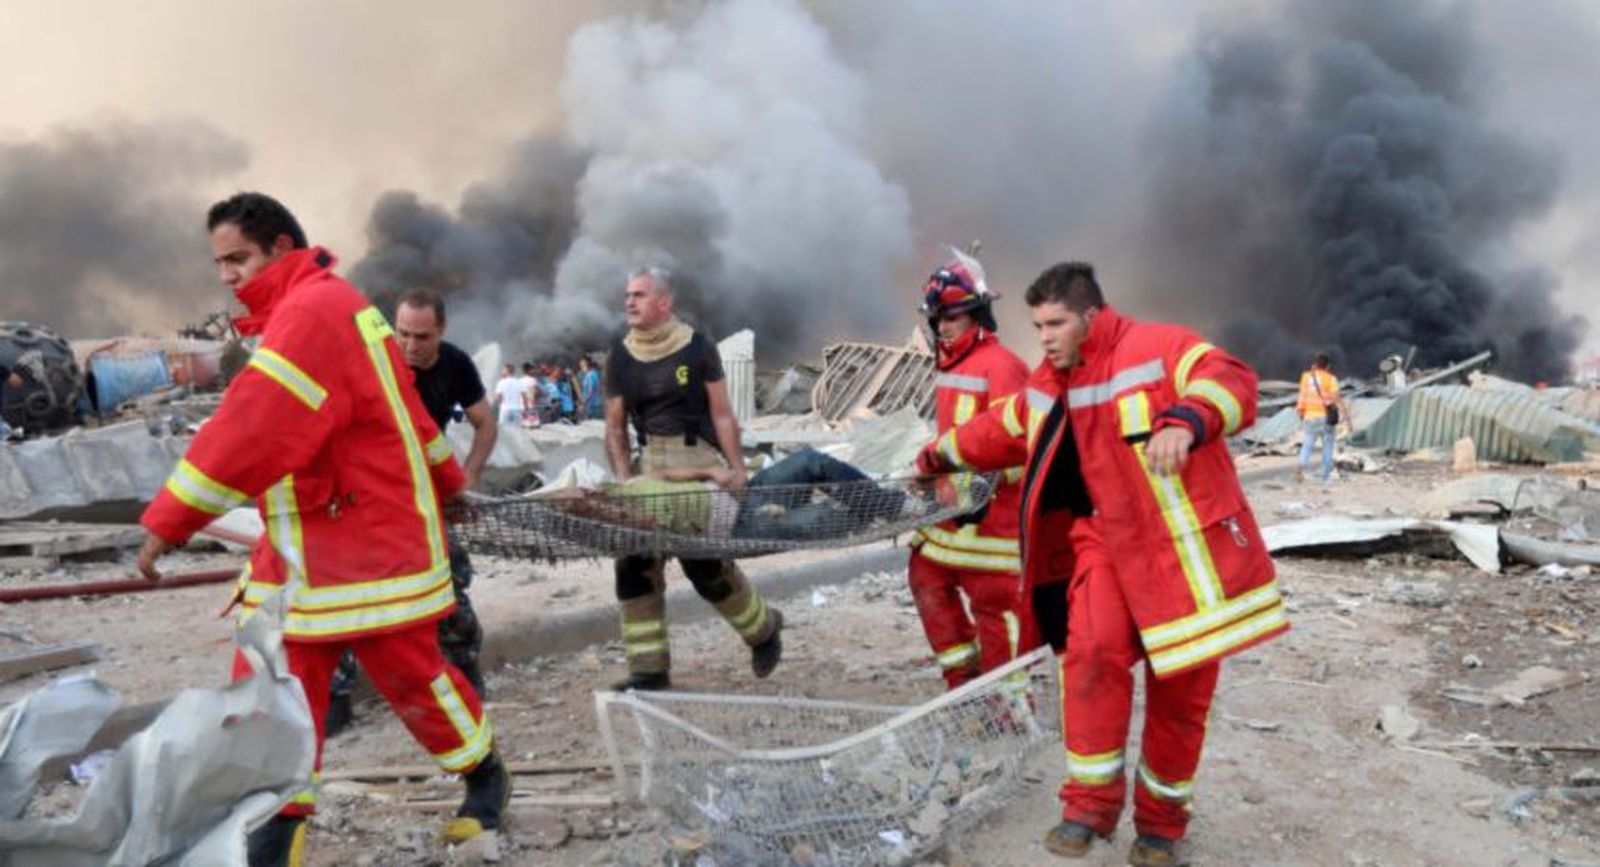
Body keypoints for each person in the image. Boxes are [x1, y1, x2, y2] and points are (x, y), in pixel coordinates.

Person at [134, 192, 507, 866]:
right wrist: (448, 481)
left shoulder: (311, 314)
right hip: (313, 545)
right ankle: (278, 838)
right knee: (275, 687)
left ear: (281, 246)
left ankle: (484, 774)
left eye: (237, 258)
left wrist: (169, 519)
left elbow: (254, 425)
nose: (225, 275)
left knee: (412, 675)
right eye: (217, 262)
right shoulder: (334, 306)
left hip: (361, 544)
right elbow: (405, 416)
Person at [919, 262, 1287, 866]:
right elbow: (998, 430)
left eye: (1056, 323)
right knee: (1089, 658)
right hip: (1104, 546)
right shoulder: (1046, 382)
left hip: (1180, 553)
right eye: (1037, 325)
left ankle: (1161, 823)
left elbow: (1230, 379)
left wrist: (1189, 419)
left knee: (1182, 691)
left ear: (1092, 315)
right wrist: (935, 454)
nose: (1045, 337)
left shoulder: (1159, 347)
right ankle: (1087, 807)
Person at [322, 287, 498, 736]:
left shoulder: (455, 364)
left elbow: (485, 422)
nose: (410, 346)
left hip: (427, 493)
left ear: (440, 330)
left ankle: (465, 680)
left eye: (422, 336)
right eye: (402, 334)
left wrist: (470, 476)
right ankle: (336, 694)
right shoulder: (370, 362)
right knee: (348, 592)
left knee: (452, 583)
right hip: (370, 493)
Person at [602, 266, 783, 692]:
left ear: (665, 303)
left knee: (704, 567)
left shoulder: (697, 348)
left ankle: (764, 630)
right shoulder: (620, 355)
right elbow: (614, 426)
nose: (629, 302)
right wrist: (626, 480)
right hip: (651, 468)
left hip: (697, 458)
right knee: (633, 563)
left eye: (640, 295)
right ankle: (649, 670)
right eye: (627, 294)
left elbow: (721, 414)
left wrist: (737, 469)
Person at [906, 252, 1028, 690]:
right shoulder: (953, 364)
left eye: (952, 316)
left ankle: (1009, 707)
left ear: (977, 313)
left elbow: (1016, 448)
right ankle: (963, 681)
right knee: (925, 573)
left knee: (995, 604)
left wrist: (969, 483)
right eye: (938, 318)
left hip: (992, 521)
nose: (943, 327)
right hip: (952, 512)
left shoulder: (1002, 368)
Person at [548, 447, 905, 540]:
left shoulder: (626, 485)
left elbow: (665, 473)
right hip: (746, 527)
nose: (585, 487)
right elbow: (652, 530)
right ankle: (872, 514)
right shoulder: (622, 524)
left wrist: (711, 472)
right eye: (582, 493)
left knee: (811, 461)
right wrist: (592, 509)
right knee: (836, 522)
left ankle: (894, 506)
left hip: (747, 495)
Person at [1297, 353, 1351, 483]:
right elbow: (1336, 399)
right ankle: (1325, 475)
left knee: (1307, 445)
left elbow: (1302, 396)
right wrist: (1348, 419)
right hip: (1326, 418)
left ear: (1315, 365)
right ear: (1328, 367)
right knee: (1327, 446)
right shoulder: (1331, 379)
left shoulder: (1306, 377)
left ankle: (1302, 467)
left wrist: (1300, 413)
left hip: (1309, 416)